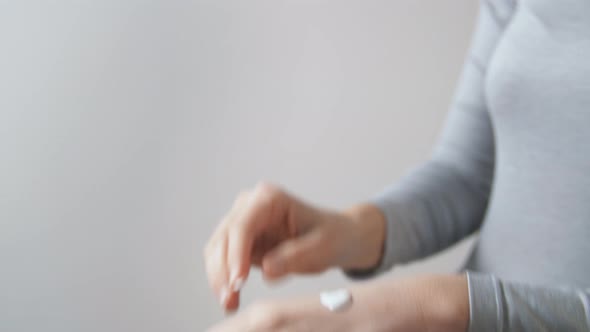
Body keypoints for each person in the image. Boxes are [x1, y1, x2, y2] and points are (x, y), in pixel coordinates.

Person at [204, 0, 590, 331]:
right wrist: (348, 230)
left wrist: (448, 306)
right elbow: (467, 173)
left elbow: (451, 306)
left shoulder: (448, 308)